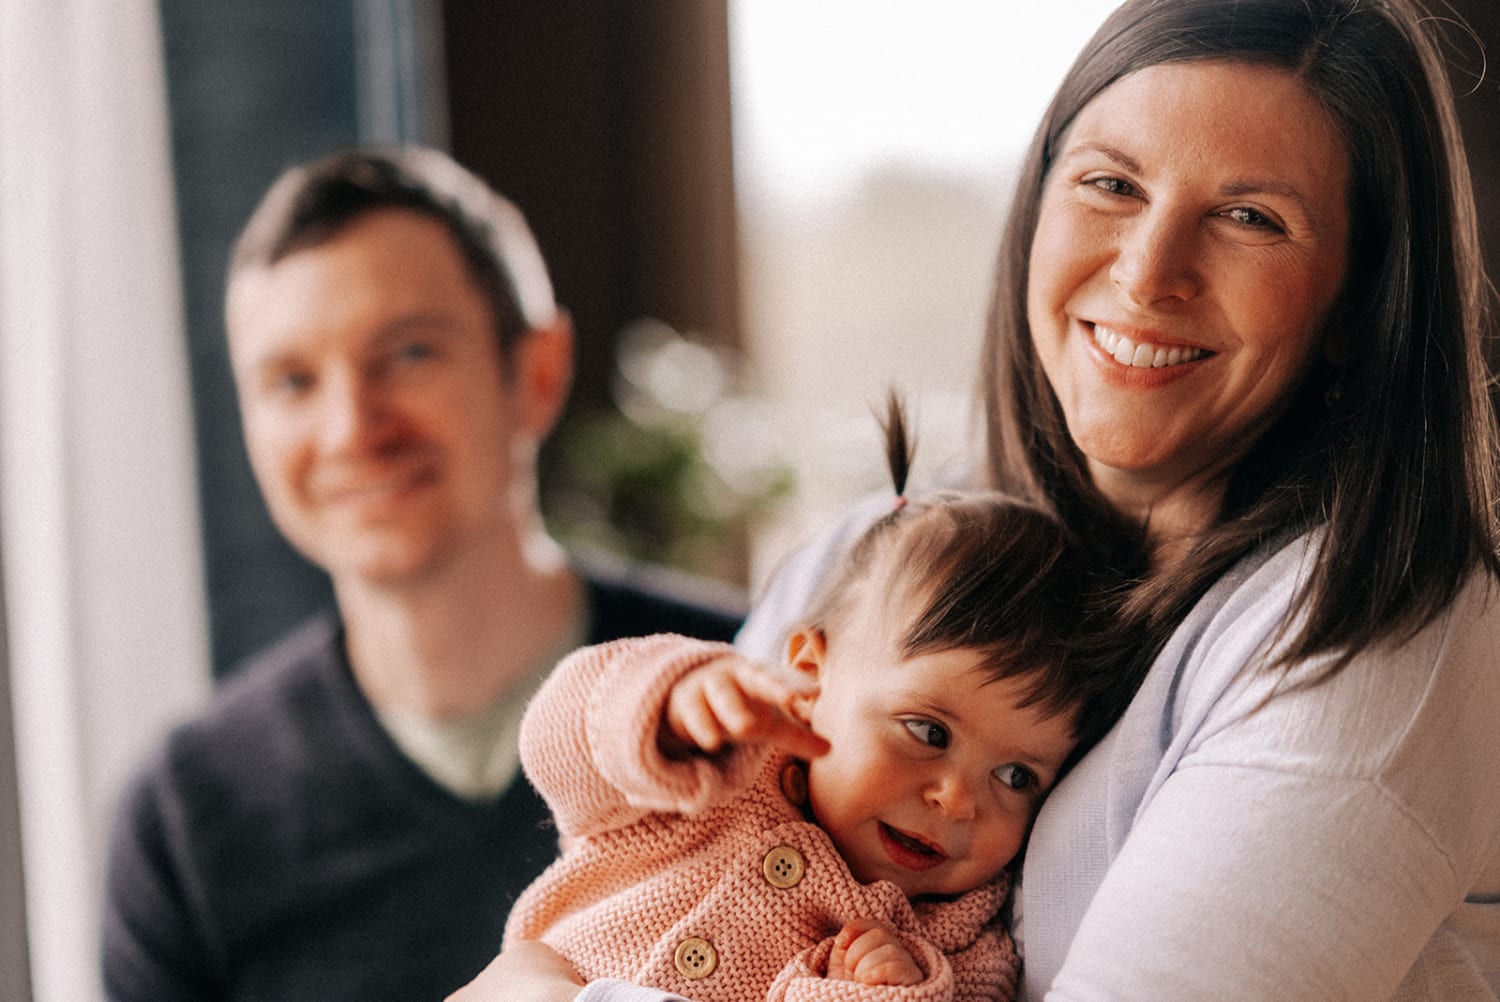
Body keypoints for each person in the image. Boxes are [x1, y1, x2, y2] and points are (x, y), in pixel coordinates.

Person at [452, 0, 1500, 999]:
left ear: (1363, 305)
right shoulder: (881, 544)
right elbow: (605, 788)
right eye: (1111, 185)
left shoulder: (1381, 631)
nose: (1147, 273)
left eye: (1247, 216)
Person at [101, 147, 744, 1002]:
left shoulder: (752, 690)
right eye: (292, 381)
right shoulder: (187, 817)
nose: (350, 429)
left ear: (538, 372)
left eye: (407, 354)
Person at [496, 398, 1127, 1002]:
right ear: (809, 677)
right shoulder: (709, 775)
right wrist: (667, 705)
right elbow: (558, 746)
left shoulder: (961, 948)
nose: (958, 800)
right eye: (928, 732)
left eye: (1016, 775)